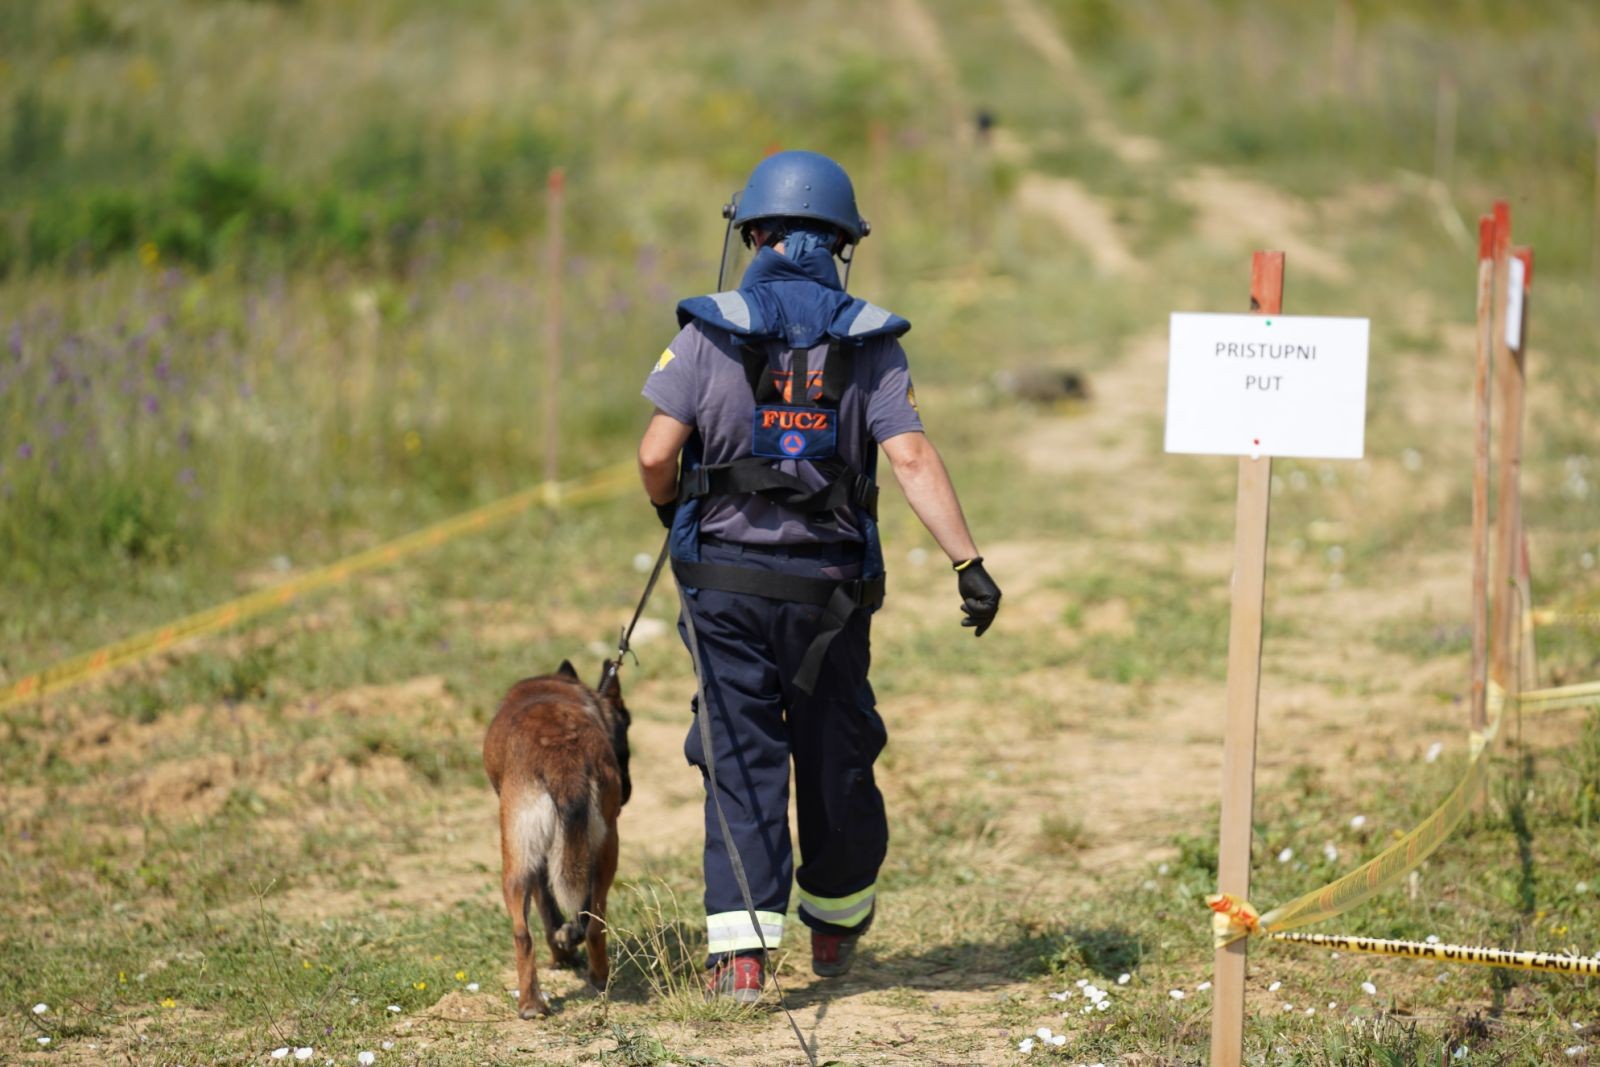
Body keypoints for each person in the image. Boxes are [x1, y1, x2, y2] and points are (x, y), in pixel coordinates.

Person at [636, 149, 1001, 1003]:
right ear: (841, 243)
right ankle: (834, 926)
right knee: (836, 743)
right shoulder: (870, 339)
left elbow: (656, 454)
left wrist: (673, 506)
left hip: (722, 586)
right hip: (831, 597)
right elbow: (908, 455)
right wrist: (968, 563)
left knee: (740, 752)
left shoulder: (705, 330)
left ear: (753, 232)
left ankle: (742, 958)